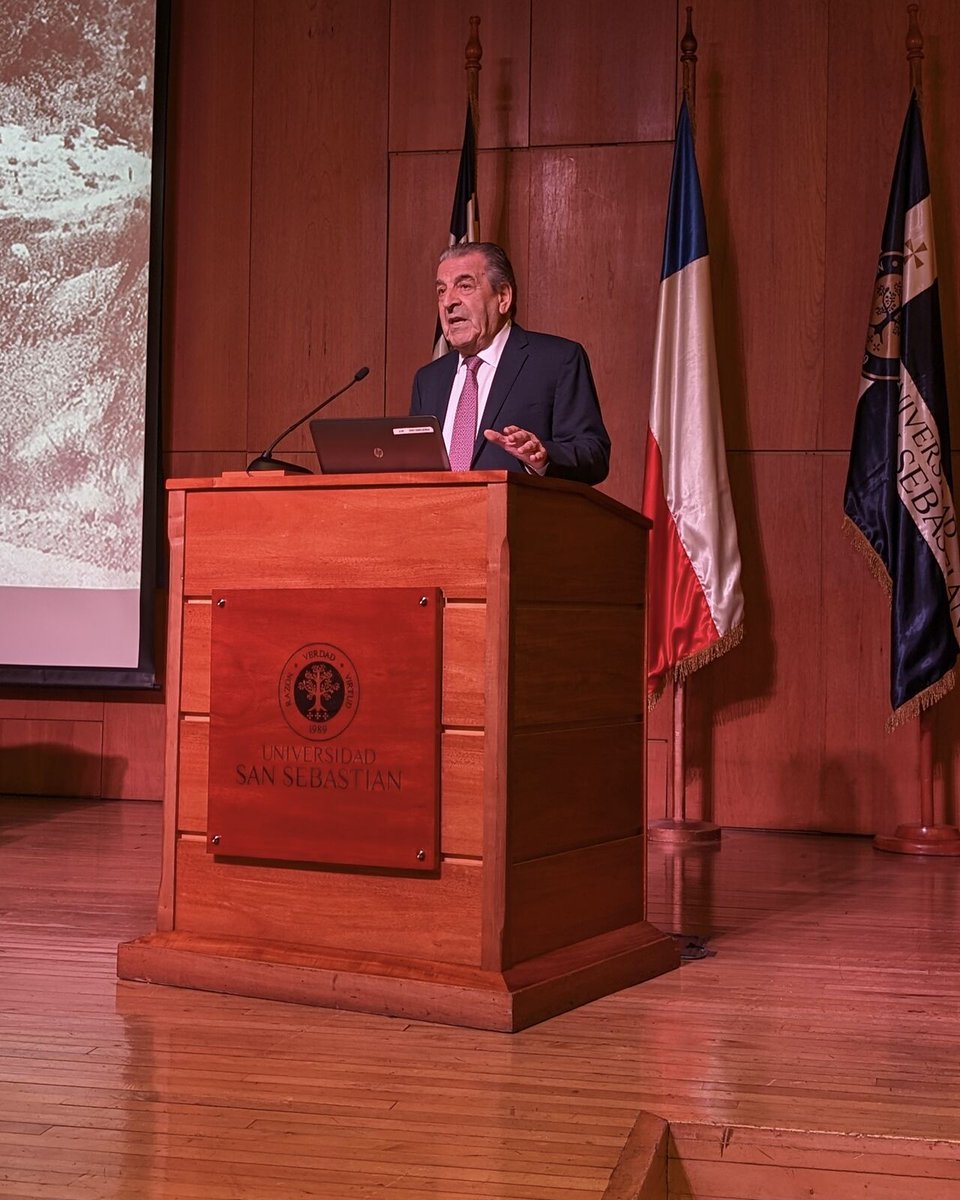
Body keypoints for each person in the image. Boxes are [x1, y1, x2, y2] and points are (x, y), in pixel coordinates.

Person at [410, 242, 610, 484]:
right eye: (441, 290)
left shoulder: (556, 361)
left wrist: (543, 456)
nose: (448, 302)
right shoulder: (429, 379)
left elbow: (594, 455)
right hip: (439, 519)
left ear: (503, 297)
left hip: (518, 517)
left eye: (464, 286)